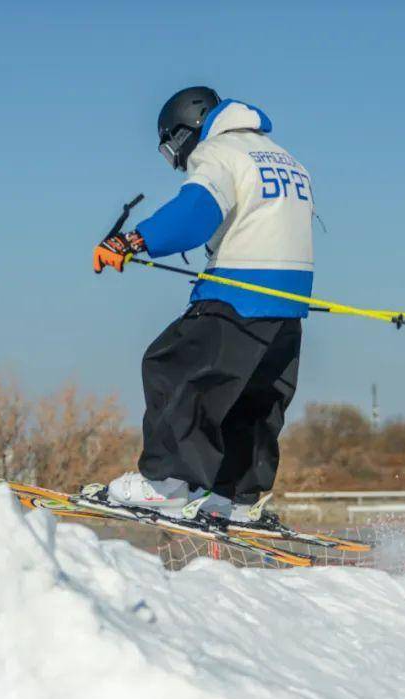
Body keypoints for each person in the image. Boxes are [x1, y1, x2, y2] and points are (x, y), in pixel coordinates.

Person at [92, 86, 314, 524]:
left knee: (172, 368)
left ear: (183, 132)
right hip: (289, 305)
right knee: (254, 398)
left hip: (238, 292)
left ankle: (167, 483)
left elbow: (196, 211)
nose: (175, 159)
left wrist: (133, 240)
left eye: (169, 147)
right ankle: (238, 496)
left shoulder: (219, 152)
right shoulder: (283, 157)